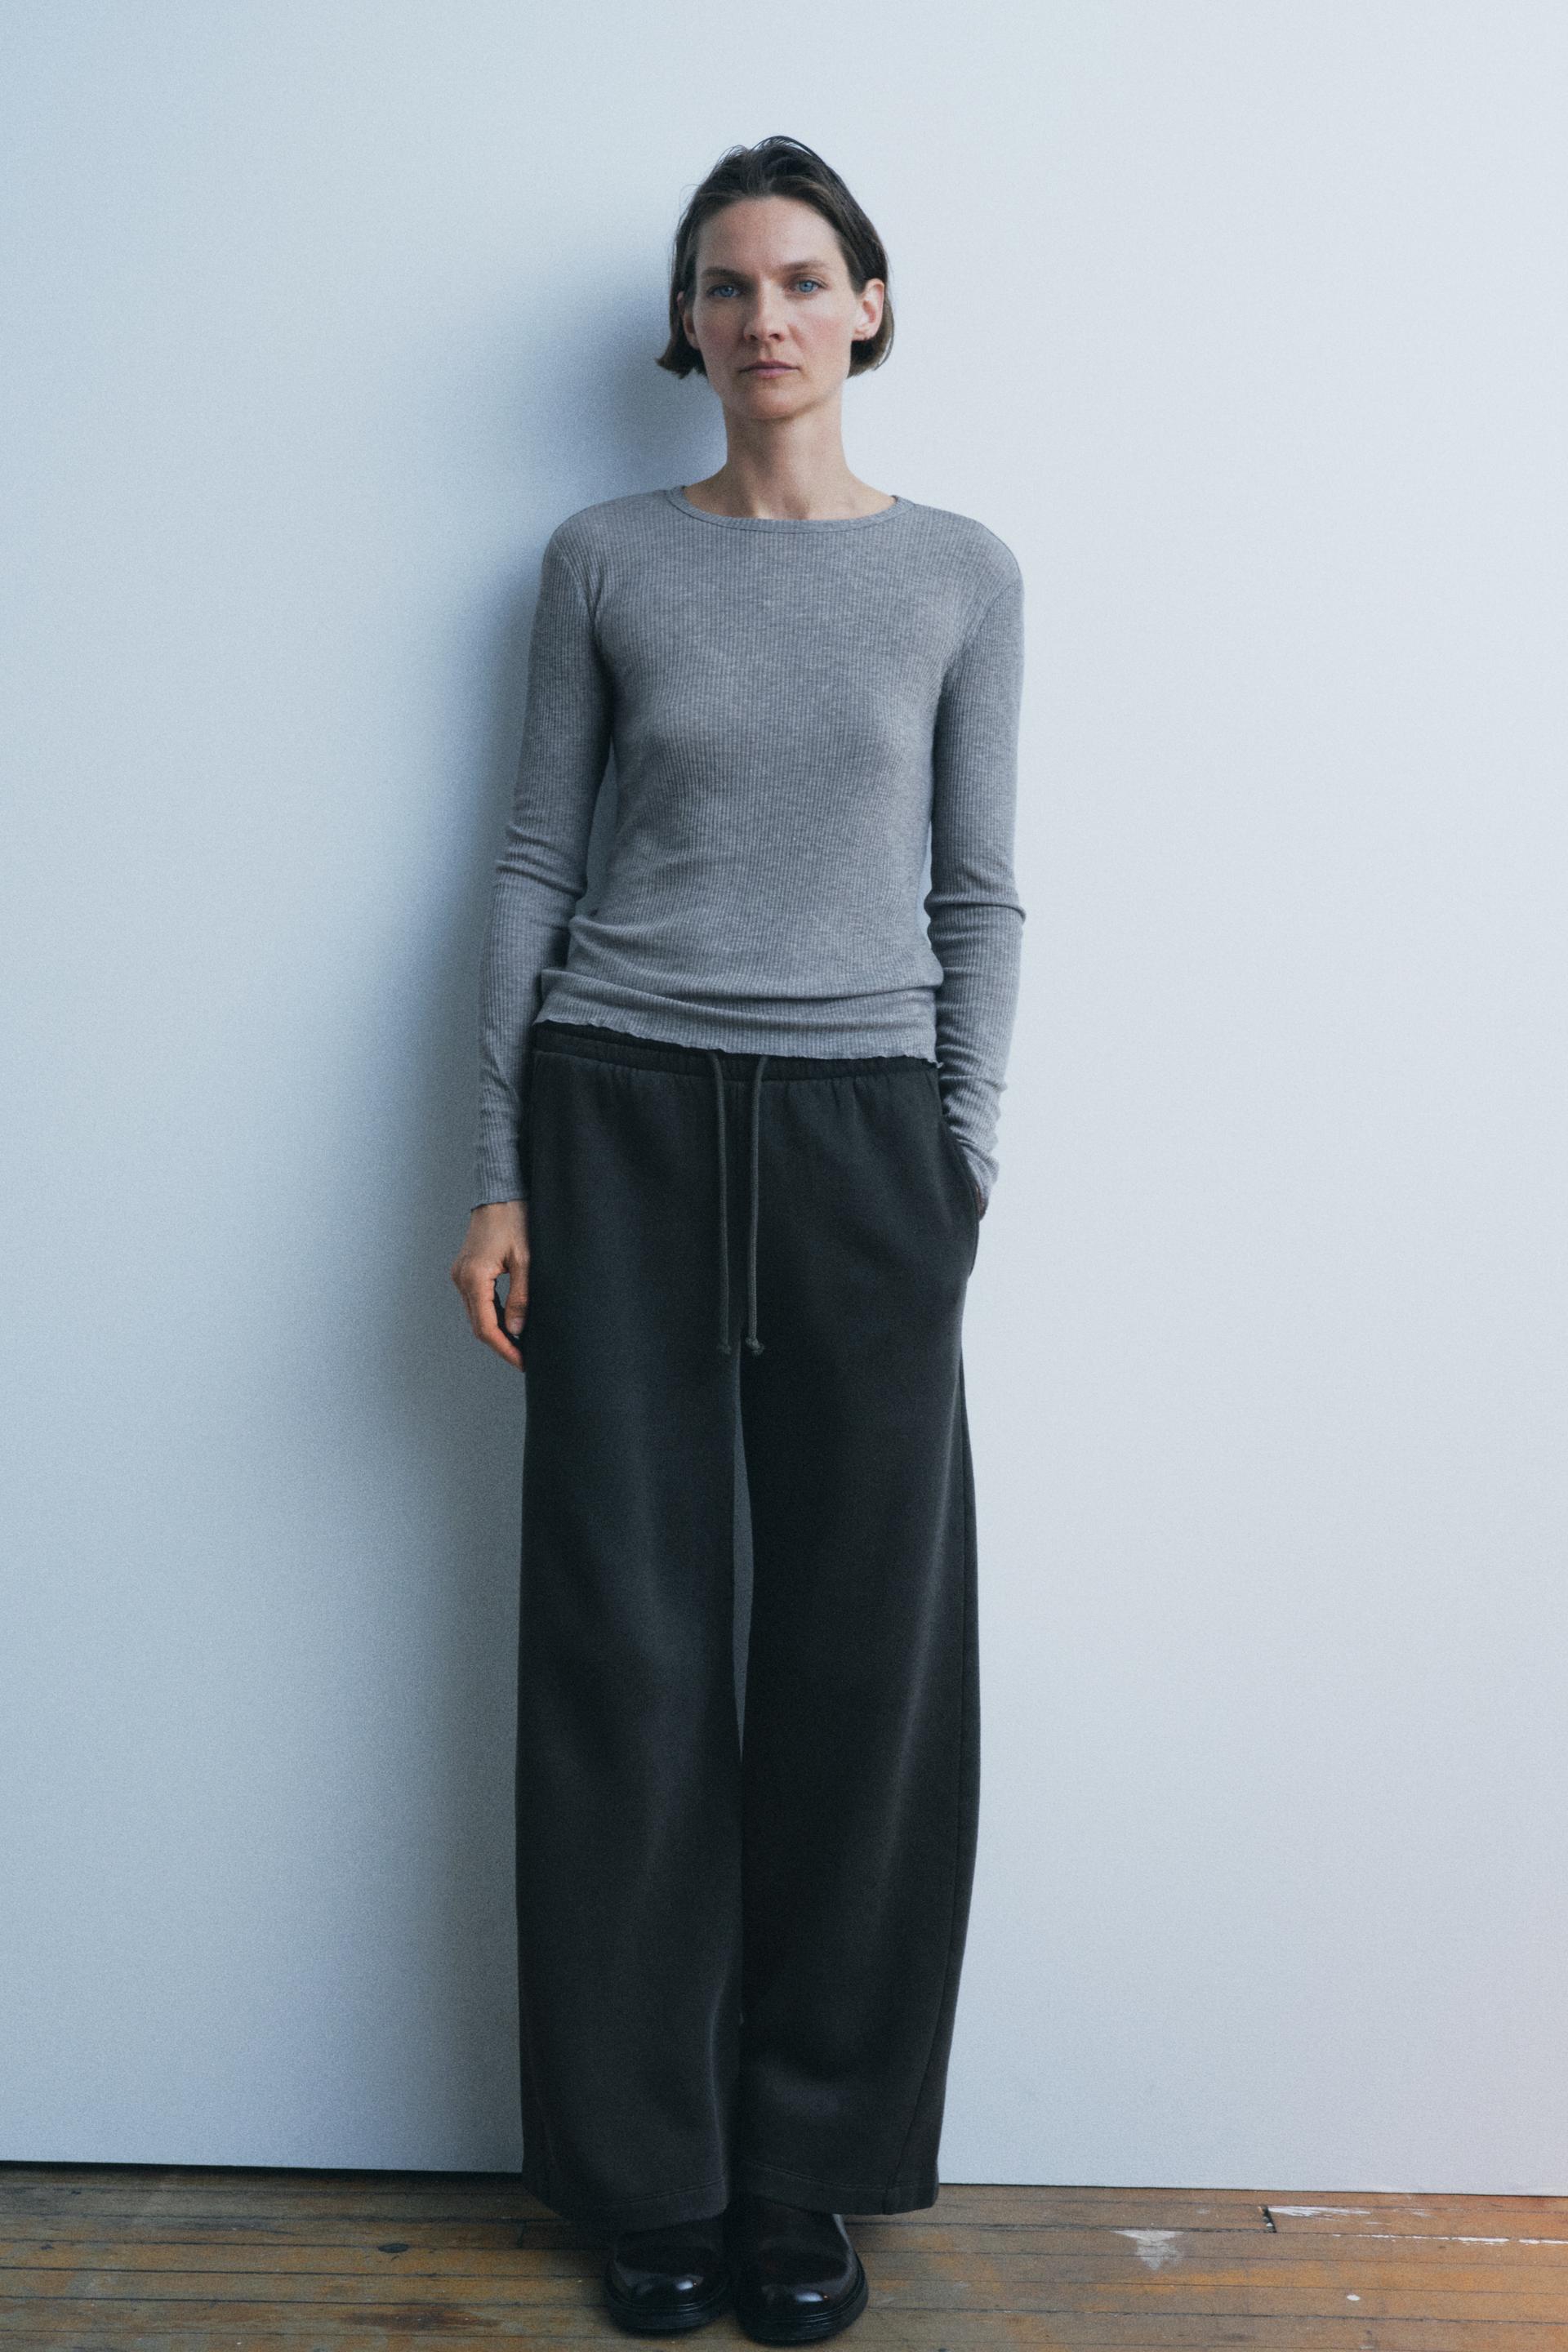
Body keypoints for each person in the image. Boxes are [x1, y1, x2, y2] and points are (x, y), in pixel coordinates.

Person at [450, 133, 1026, 2344]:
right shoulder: (603, 559)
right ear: (684, 328)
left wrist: (958, 1157)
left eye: (799, 277)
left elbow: (978, 890)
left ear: (867, 306)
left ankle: (811, 2171)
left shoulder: (963, 572)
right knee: (630, 1651)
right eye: (723, 283)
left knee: (867, 1661)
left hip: (869, 1140)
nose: (762, 315)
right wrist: (499, 1168)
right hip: (622, 1113)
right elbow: (533, 862)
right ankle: (651, 2174)